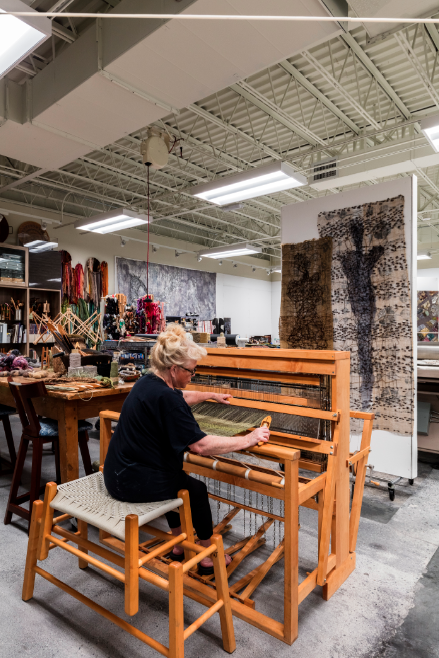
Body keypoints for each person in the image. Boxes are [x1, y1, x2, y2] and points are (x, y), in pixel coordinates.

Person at [104, 323, 269, 574]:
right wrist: (249, 439)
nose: (193, 375)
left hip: (116, 474)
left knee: (176, 477)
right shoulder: (167, 399)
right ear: (173, 369)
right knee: (194, 489)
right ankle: (207, 556)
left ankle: (179, 545)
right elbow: (201, 446)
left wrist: (209, 395)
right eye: (191, 371)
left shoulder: (147, 383)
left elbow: (179, 396)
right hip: (132, 484)